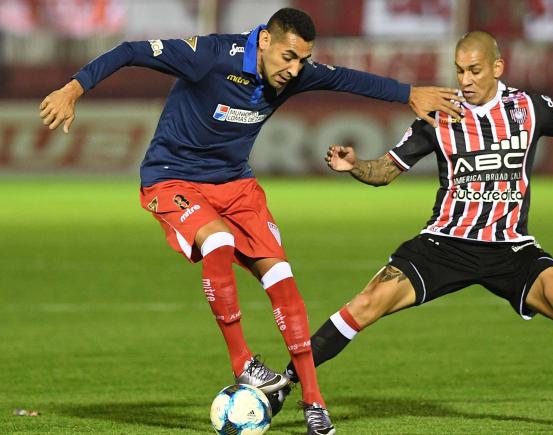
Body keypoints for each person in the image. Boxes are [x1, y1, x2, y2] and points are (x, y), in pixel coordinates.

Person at [38, 8, 465, 435]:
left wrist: (408, 92)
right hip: (172, 180)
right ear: (264, 41)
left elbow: (348, 78)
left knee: (282, 277)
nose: (294, 69)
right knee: (218, 242)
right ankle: (245, 364)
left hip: (238, 188)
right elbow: (131, 50)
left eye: (302, 59)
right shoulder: (209, 55)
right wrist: (73, 89)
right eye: (288, 57)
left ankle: (314, 402)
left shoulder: (294, 74)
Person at [278, 31, 553, 434]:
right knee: (367, 302)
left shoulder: (530, 108)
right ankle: (284, 384)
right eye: (458, 70)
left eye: (474, 70)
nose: (464, 80)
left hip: (510, 248)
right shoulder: (440, 117)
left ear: (497, 68)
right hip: (445, 243)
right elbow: (384, 172)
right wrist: (353, 166)